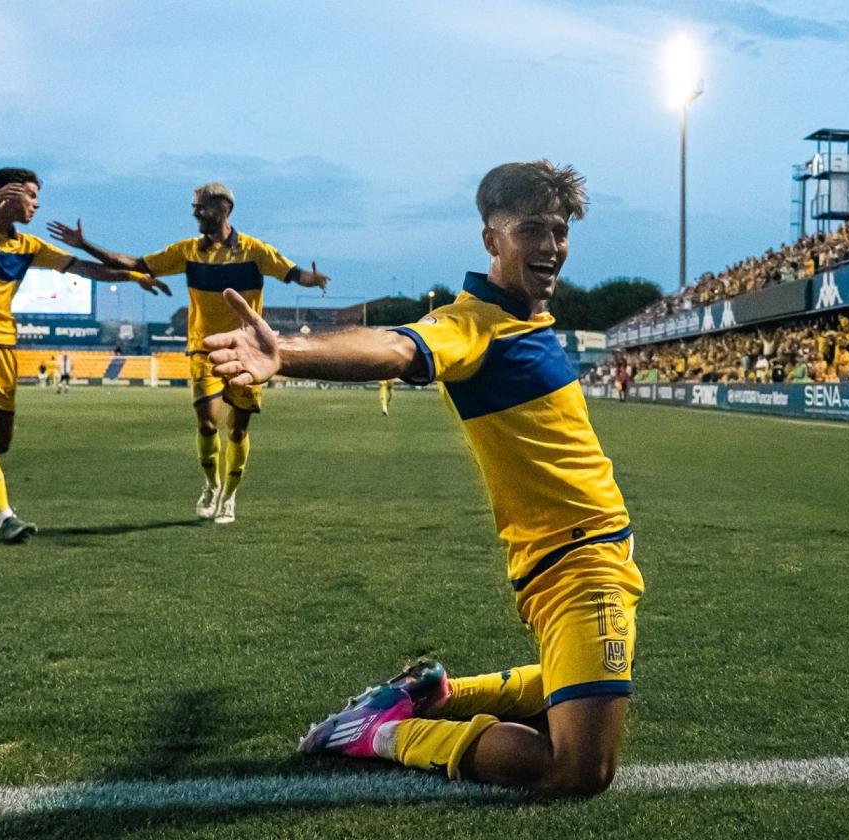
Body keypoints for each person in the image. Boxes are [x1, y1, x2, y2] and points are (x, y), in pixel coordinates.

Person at [206, 161, 640, 796]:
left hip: (594, 551)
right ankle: (382, 734)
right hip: (574, 563)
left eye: (561, 230)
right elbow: (400, 346)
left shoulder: (523, 319)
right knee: (577, 768)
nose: (551, 246)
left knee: (584, 682)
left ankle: (432, 692)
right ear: (492, 240)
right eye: (532, 230)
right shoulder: (474, 324)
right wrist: (289, 354)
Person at [48, 182, 328, 525]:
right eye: (194, 206)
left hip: (246, 350)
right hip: (203, 349)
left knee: (237, 431)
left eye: (201, 206)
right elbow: (137, 264)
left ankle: (229, 497)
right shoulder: (187, 251)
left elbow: (293, 272)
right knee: (208, 422)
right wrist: (86, 245)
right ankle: (211, 485)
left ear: (224, 209)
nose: (195, 212)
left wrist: (312, 280)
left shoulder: (256, 251)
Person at [0, 167, 171, 543]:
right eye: (31, 196)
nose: (36, 205)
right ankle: (5, 519)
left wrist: (134, 276)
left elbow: (86, 268)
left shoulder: (28, 247)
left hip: (3, 348)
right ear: (6, 195)